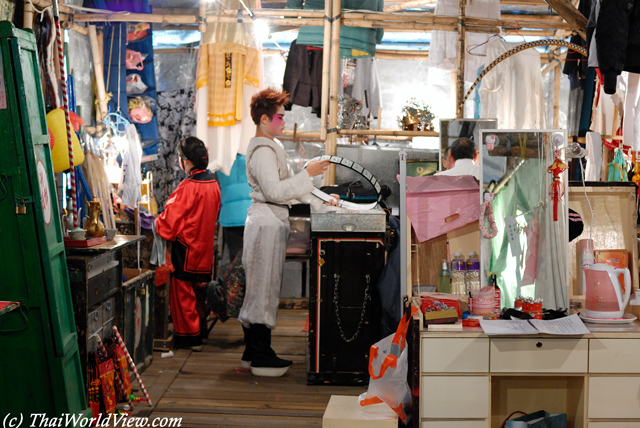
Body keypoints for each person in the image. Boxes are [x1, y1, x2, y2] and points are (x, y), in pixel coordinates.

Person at [237, 88, 338, 377]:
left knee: (263, 287)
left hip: (270, 219)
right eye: (280, 117)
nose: (284, 122)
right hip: (266, 221)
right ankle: (260, 355)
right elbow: (276, 190)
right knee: (263, 289)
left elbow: (285, 189)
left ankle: (252, 352)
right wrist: (308, 175)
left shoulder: (269, 147)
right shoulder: (264, 150)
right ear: (265, 119)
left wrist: (318, 196)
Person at [155, 137, 221, 352]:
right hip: (204, 248)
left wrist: (156, 221)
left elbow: (169, 222)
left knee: (183, 293)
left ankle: (190, 338)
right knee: (199, 291)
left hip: (187, 248)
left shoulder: (188, 186)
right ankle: (199, 332)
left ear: (187, 161)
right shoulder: (213, 184)